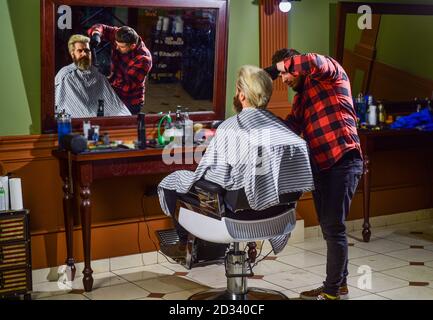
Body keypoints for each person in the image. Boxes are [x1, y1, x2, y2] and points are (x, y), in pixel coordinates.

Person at [157, 65, 314, 259]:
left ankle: (184, 245)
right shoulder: (283, 131)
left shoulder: (229, 128)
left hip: (234, 219)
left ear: (241, 95)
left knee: (174, 182)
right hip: (280, 214)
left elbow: (211, 178)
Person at [265, 49, 363, 300]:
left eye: (287, 73)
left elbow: (312, 61)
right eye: (282, 75)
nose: (284, 80)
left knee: (334, 227)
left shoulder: (330, 75)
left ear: (297, 66)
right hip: (320, 167)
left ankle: (331, 293)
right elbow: (291, 128)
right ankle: (339, 284)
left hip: (343, 160)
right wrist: (261, 118)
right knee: (330, 228)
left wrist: (273, 70)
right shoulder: (301, 100)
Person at [55, 34, 131, 118]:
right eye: (80, 51)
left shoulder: (98, 73)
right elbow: (58, 106)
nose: (84, 54)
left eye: (87, 50)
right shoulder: (65, 75)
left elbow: (114, 104)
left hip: (102, 117)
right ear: (73, 54)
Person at [88, 24, 153, 114]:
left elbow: (127, 86)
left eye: (121, 47)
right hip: (112, 94)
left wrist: (110, 75)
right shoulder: (120, 35)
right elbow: (102, 27)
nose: (117, 48)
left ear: (133, 46)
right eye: (116, 44)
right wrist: (96, 34)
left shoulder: (143, 59)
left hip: (130, 101)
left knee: (123, 126)